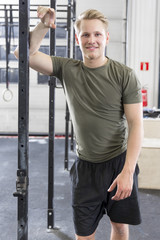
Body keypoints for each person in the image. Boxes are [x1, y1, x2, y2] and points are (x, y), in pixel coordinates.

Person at [14, 6, 143, 240]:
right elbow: (23, 54)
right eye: (85, 34)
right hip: (85, 169)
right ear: (77, 38)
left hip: (119, 163)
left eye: (96, 34)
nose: (91, 40)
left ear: (106, 38)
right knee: (84, 235)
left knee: (121, 227)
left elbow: (136, 124)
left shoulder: (124, 75)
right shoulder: (68, 69)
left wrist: (128, 170)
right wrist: (43, 25)